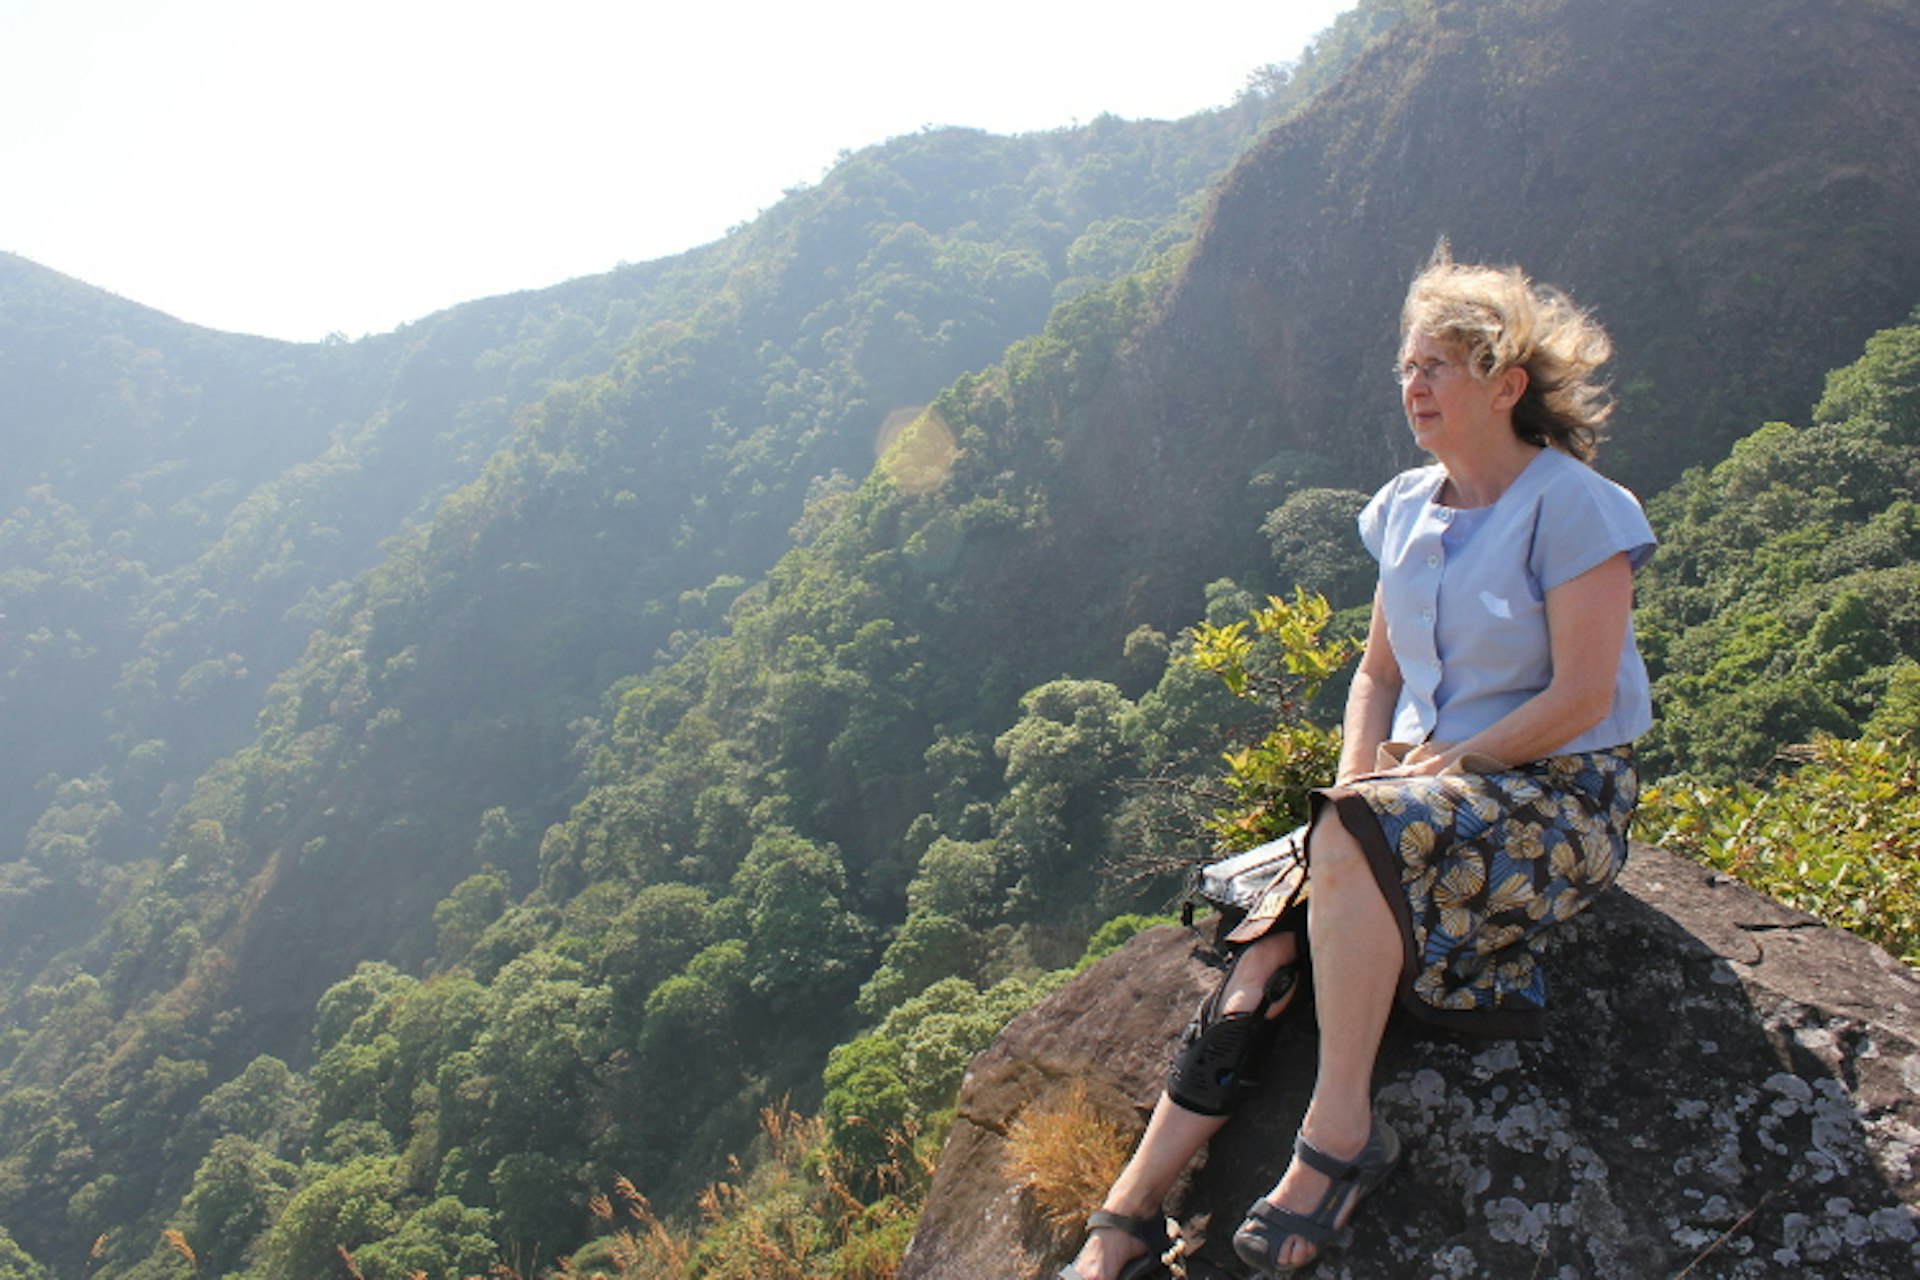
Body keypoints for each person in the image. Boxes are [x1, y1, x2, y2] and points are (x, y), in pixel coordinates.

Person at [1057, 247, 1657, 1280]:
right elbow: (1375, 675)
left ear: (1507, 384)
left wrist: (1423, 774)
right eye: (1408, 365)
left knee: (1352, 837)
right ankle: (1127, 1213)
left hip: (1556, 792)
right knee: (1258, 962)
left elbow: (1583, 698)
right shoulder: (1405, 511)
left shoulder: (1577, 507)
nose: (1415, 384)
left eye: (1441, 366)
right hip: (1418, 790)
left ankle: (1337, 1135)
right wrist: (1358, 780)